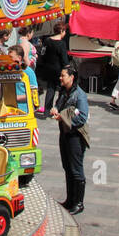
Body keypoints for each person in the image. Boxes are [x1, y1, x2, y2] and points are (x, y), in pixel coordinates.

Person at [51, 63, 89, 214]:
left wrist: (64, 119)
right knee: (67, 166)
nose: (60, 78)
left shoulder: (79, 95)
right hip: (64, 133)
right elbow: (59, 105)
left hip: (75, 136)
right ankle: (70, 200)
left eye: (63, 76)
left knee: (76, 168)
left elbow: (83, 118)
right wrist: (55, 109)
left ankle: (79, 203)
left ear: (72, 77)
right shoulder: (64, 91)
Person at [37, 19, 68, 118]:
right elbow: (64, 59)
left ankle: (47, 110)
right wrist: (67, 67)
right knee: (63, 89)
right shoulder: (61, 44)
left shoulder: (47, 41)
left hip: (49, 68)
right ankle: (58, 108)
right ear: (62, 31)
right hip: (59, 70)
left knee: (50, 89)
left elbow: (43, 53)